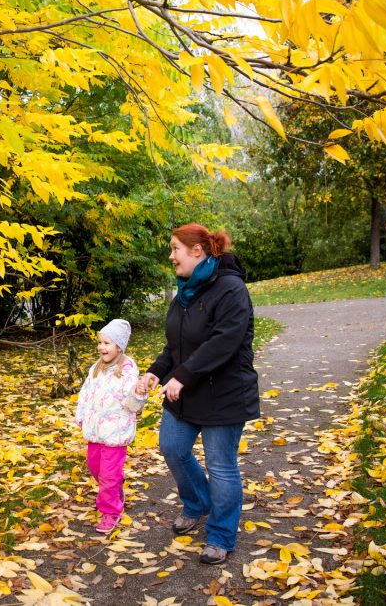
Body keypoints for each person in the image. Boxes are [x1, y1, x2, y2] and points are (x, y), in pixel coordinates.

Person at [142, 224, 260, 565]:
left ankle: (221, 535)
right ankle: (197, 503)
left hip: (224, 393)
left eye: (175, 248)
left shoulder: (231, 289)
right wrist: (157, 370)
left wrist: (182, 376)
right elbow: (176, 343)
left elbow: (224, 341)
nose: (171, 256)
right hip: (186, 391)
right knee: (172, 447)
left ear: (197, 251)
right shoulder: (185, 291)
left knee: (221, 466)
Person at [75, 318, 149, 533]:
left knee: (108, 475)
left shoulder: (127, 371)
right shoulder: (96, 368)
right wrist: (81, 414)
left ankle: (111, 511)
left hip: (115, 433)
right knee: (95, 467)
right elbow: (85, 393)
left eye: (107, 343)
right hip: (95, 431)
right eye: (100, 342)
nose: (101, 347)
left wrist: (138, 394)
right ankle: (115, 487)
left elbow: (132, 405)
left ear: (119, 346)